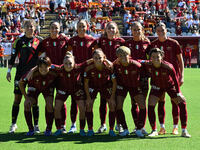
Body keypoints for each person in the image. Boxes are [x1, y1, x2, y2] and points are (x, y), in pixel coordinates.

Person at [142, 48, 191, 138]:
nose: (155, 59)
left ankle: (184, 130)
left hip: (169, 86)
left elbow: (176, 80)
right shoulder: (147, 64)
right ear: (150, 58)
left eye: (158, 57)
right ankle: (154, 130)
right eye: (153, 57)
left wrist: (178, 93)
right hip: (156, 87)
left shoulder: (168, 66)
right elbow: (137, 61)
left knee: (182, 103)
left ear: (162, 57)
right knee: (150, 105)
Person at [6, 20, 43, 133]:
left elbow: (42, 57)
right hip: (20, 73)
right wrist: (9, 71)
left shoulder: (39, 41)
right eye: (27, 26)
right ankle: (13, 124)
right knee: (17, 99)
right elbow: (13, 57)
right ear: (23, 28)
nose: (30, 28)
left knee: (34, 100)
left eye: (32, 26)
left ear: (35, 28)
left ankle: (36, 125)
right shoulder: (18, 41)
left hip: (34, 74)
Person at [150, 23, 184, 135]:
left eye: (162, 30)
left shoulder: (174, 43)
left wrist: (181, 75)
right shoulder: (153, 44)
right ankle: (162, 127)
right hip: (159, 79)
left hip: (172, 78)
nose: (160, 32)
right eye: (158, 30)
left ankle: (175, 127)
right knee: (161, 101)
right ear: (156, 31)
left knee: (175, 101)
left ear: (166, 30)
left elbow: (180, 60)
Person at [91, 21, 125, 133]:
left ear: (116, 30)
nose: (111, 30)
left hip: (118, 74)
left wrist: (113, 63)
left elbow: (125, 56)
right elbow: (96, 53)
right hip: (104, 74)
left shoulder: (121, 41)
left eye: (113, 28)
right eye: (109, 28)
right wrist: (105, 61)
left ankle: (118, 124)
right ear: (105, 30)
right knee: (103, 100)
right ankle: (103, 124)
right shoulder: (101, 41)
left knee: (116, 100)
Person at [38, 21, 69, 133]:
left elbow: (69, 55)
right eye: (52, 28)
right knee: (49, 103)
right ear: (49, 29)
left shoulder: (65, 40)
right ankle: (49, 127)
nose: (54, 30)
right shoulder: (45, 42)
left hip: (61, 75)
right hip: (49, 76)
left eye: (56, 28)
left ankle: (62, 126)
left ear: (60, 29)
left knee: (61, 102)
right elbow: (39, 56)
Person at [67, 19, 95, 133]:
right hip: (76, 73)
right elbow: (68, 55)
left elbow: (97, 55)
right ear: (76, 28)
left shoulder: (92, 40)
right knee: (75, 100)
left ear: (87, 27)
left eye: (83, 26)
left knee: (89, 101)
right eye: (79, 26)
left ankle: (91, 126)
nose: (82, 28)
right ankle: (73, 125)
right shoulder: (72, 41)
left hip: (89, 74)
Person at [19, 57, 57, 136]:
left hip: (47, 88)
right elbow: (20, 83)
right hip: (34, 88)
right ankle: (31, 129)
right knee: (27, 104)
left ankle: (48, 129)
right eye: (41, 67)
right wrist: (26, 98)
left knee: (50, 105)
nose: (43, 69)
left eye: (45, 67)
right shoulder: (32, 73)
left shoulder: (54, 71)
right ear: (37, 66)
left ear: (49, 66)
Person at [54, 52, 90, 136]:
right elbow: (46, 65)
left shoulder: (78, 67)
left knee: (82, 107)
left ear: (74, 62)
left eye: (70, 63)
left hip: (76, 89)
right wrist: (32, 70)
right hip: (63, 89)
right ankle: (59, 129)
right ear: (63, 63)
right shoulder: (59, 68)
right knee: (57, 107)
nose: (68, 65)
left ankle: (81, 129)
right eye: (66, 63)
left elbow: (90, 61)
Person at [114, 46, 146, 137]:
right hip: (122, 86)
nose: (123, 57)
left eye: (125, 54)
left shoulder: (137, 65)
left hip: (135, 86)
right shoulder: (116, 65)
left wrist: (142, 90)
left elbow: (144, 77)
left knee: (142, 105)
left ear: (130, 55)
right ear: (117, 57)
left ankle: (139, 129)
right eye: (120, 55)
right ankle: (125, 129)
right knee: (118, 106)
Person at [84, 48, 116, 136]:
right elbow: (86, 83)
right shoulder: (89, 68)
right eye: (95, 58)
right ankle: (90, 129)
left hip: (106, 86)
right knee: (89, 105)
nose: (98, 59)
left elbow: (114, 82)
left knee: (112, 104)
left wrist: (112, 97)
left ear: (104, 58)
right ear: (92, 58)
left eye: (100, 57)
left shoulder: (109, 67)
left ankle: (111, 129)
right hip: (93, 86)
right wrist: (88, 97)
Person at [125, 22, 150, 134]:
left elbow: (151, 60)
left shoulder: (147, 43)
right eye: (134, 30)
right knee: (133, 103)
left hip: (143, 77)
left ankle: (142, 126)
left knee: (142, 103)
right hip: (131, 78)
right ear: (131, 31)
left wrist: (141, 62)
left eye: (138, 29)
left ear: (142, 30)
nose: (136, 32)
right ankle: (136, 126)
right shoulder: (128, 44)